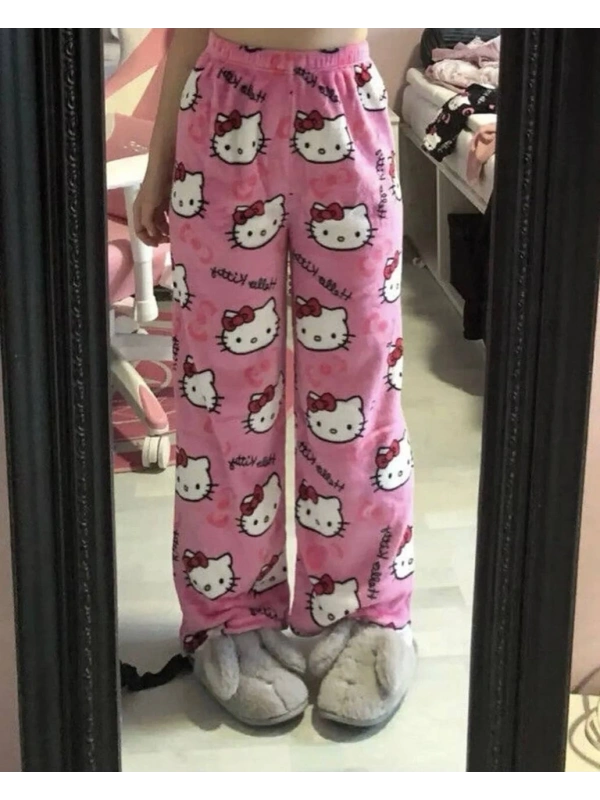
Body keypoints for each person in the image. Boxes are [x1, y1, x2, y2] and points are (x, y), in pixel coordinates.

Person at [134, 25, 416, 729]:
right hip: (222, 107)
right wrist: (160, 160)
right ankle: (229, 612)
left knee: (362, 386)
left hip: (344, 104)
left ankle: (366, 607)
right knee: (222, 394)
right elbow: (188, 23)